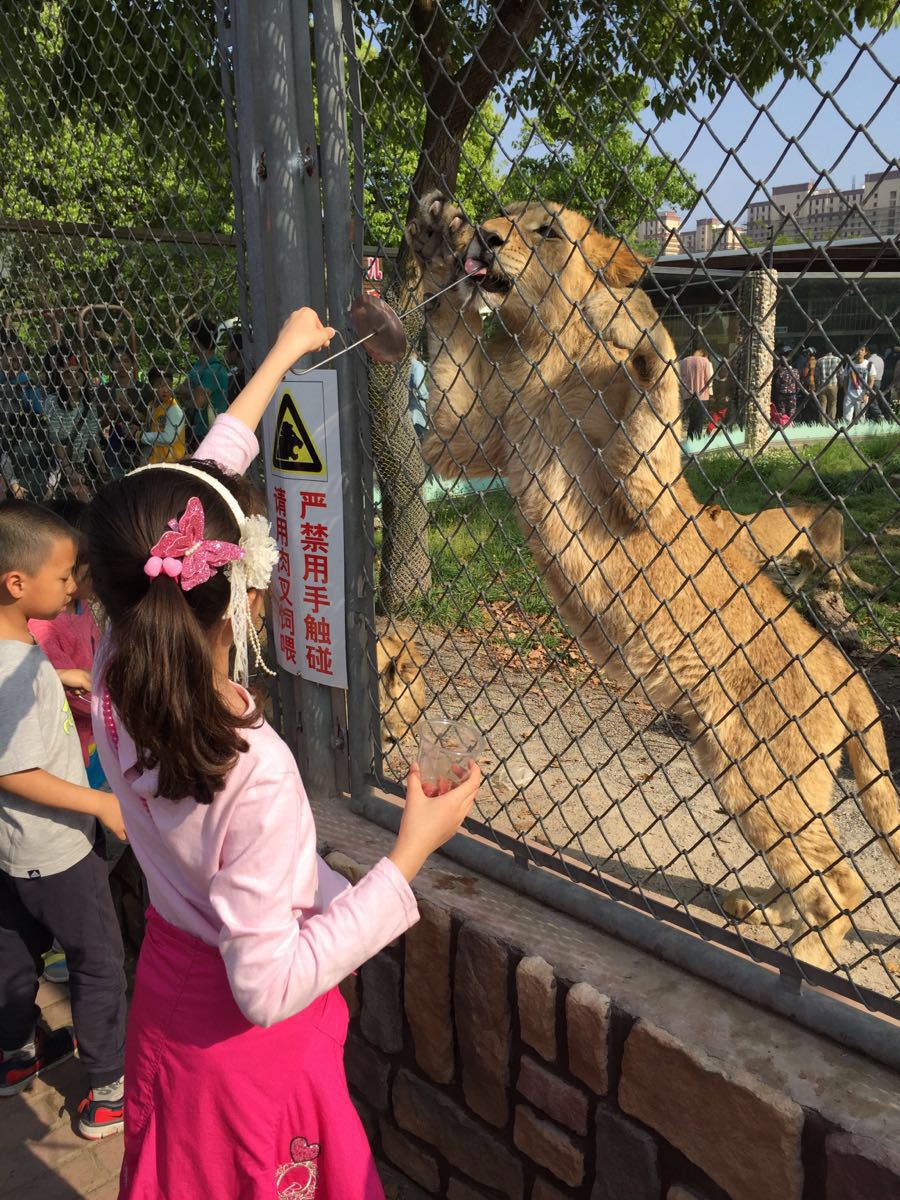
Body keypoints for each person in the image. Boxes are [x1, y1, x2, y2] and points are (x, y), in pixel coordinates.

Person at [85, 307, 482, 1198]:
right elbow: (264, 986)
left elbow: (208, 473)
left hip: (168, 998)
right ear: (244, 596)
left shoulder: (113, 667)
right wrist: (408, 854)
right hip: (248, 1054)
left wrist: (281, 356)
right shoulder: (250, 769)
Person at [0, 500, 127, 1137]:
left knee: (15, 947)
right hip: (59, 851)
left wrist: (59, 675)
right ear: (17, 584)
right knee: (97, 960)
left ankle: (17, 1054)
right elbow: (12, 770)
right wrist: (102, 803)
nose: (75, 586)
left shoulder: (17, 650)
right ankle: (108, 1091)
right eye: (65, 575)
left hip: (12, 851)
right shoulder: (15, 669)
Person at [43, 345, 108, 502]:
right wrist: (68, 470)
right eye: (67, 377)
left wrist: (103, 471)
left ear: (84, 378)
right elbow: (55, 439)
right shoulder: (53, 402)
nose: (72, 382)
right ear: (60, 379)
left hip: (80, 462)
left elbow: (93, 442)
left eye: (77, 377)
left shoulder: (89, 406)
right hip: (57, 463)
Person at [178, 316, 230, 448]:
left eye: (191, 340)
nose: (190, 344)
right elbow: (181, 390)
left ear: (195, 340)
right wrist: (194, 392)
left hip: (212, 432)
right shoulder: (197, 366)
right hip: (197, 431)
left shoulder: (215, 369)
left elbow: (197, 402)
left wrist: (191, 393)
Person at [101, 344, 145, 479]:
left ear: (132, 363)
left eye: (126, 361)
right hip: (112, 444)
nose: (121, 365)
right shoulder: (103, 390)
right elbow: (99, 425)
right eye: (117, 361)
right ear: (111, 364)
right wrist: (112, 411)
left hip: (139, 442)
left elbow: (150, 420)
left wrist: (132, 411)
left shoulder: (143, 388)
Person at [140, 367, 186, 464]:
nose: (165, 390)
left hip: (172, 462)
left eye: (168, 385)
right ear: (151, 387)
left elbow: (169, 438)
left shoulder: (173, 409)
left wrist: (140, 435)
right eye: (160, 385)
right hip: (155, 460)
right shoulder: (152, 405)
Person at [677, 345, 714, 439]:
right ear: (703, 353)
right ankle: (696, 442)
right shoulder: (706, 362)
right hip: (702, 396)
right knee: (699, 421)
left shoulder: (682, 362)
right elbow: (709, 380)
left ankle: (690, 440)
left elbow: (679, 379)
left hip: (687, 395)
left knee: (692, 420)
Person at [843, 345, 875, 425]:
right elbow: (845, 379)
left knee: (861, 418)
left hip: (862, 394)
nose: (859, 352)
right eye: (858, 350)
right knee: (846, 417)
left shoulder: (869, 364)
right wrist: (846, 392)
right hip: (850, 394)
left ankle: (859, 435)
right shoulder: (849, 364)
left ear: (865, 352)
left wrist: (867, 394)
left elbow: (871, 381)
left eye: (862, 350)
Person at [770, 348, 799, 427]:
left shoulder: (780, 371)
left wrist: (777, 391)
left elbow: (777, 383)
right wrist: (796, 391)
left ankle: (783, 422)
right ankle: (791, 423)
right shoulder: (795, 371)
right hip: (792, 393)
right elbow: (798, 383)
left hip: (782, 393)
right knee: (792, 409)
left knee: (782, 409)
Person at [814, 344, 842, 424]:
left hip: (822, 385)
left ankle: (823, 422)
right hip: (833, 384)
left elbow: (816, 376)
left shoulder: (819, 360)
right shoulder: (837, 359)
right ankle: (831, 422)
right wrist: (840, 383)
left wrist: (817, 386)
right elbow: (840, 373)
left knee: (822, 405)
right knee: (833, 403)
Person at [408, 349, 429, 440]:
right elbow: (418, 383)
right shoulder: (417, 365)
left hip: (408, 409)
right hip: (418, 407)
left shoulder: (404, 365)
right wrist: (426, 396)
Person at [224, 327, 247, 406]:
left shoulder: (244, 377)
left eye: (228, 349)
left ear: (235, 351)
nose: (225, 353)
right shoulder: (236, 375)